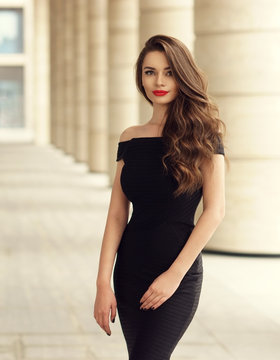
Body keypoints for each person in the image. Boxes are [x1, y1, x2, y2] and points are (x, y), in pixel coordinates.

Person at [93, 34, 226, 359]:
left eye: (169, 72)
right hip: (130, 270)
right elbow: (116, 215)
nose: (159, 81)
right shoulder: (130, 138)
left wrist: (174, 276)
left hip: (176, 272)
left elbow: (214, 211)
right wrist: (102, 283)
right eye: (150, 71)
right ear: (141, 77)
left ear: (183, 76)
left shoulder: (204, 136)